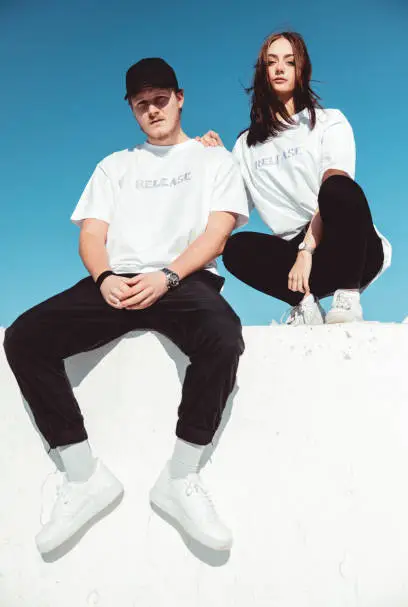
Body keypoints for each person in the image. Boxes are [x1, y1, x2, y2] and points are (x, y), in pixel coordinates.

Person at [4, 57, 249, 554]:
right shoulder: (114, 166)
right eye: (142, 104)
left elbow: (218, 232)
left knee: (224, 338)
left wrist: (170, 275)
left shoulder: (215, 161)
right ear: (132, 110)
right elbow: (93, 235)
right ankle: (83, 476)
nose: (153, 110)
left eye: (161, 99)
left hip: (184, 279)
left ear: (180, 98)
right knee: (24, 337)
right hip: (118, 283)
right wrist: (104, 277)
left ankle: (180, 479)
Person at [199, 31, 391, 325]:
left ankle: (348, 296)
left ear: (301, 69)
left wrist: (307, 249)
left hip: (351, 248)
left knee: (337, 189)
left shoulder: (330, 121)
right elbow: (230, 202)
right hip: (297, 269)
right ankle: (306, 305)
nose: (279, 68)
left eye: (289, 62)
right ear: (262, 72)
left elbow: (336, 187)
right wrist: (216, 159)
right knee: (236, 247)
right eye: (271, 62)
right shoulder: (245, 146)